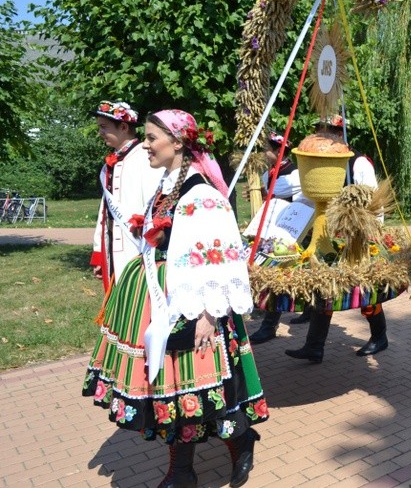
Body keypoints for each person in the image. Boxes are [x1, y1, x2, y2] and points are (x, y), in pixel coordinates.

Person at [83, 110, 268, 488]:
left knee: (206, 389)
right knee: (170, 389)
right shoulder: (166, 183)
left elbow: (219, 255)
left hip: (194, 303)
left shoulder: (200, 194)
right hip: (161, 296)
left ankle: (241, 440)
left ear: (178, 142)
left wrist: (207, 315)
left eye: (152, 138)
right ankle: (181, 471)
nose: (146, 144)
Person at [285, 114, 389, 359]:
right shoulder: (319, 162)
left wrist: (371, 234)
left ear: (340, 134)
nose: (324, 135)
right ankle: (314, 346)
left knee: (362, 289)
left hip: (356, 235)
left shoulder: (359, 163)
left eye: (329, 130)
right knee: (324, 286)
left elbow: (375, 202)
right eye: (321, 130)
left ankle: (380, 336)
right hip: (327, 234)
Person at [90, 100, 163, 290]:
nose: (100, 133)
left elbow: (155, 204)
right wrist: (99, 252)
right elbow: (104, 211)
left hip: (139, 244)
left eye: (104, 127)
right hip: (114, 246)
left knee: (139, 295)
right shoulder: (109, 165)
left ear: (123, 127)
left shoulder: (146, 158)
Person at [247, 131, 306, 344]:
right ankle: (309, 310)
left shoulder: (294, 175)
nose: (263, 153)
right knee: (281, 273)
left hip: (290, 231)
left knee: (279, 276)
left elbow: (276, 190)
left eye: (266, 150)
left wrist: (260, 190)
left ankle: (269, 326)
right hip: (272, 230)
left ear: (277, 151)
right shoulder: (269, 174)